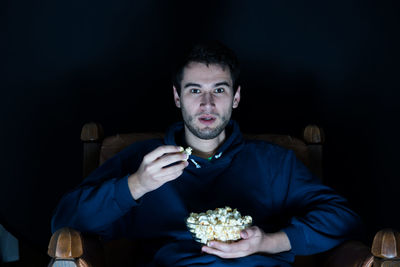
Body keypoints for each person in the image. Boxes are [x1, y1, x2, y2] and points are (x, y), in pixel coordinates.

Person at [51, 41, 362, 266]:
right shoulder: (144, 160)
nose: (208, 104)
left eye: (220, 90)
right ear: (177, 97)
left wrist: (269, 242)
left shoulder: (273, 162)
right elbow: (65, 221)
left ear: (236, 97)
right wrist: (137, 185)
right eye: (195, 90)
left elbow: (344, 220)